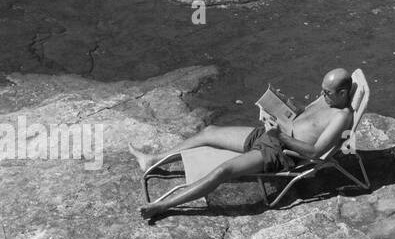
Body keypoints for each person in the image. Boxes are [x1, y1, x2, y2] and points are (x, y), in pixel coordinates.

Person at [131, 68, 357, 221]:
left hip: (280, 153)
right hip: (271, 135)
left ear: (343, 93)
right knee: (210, 132)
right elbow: (303, 117)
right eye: (322, 90)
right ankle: (152, 159)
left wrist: (281, 137)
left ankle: (163, 206)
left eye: (327, 92)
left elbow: (315, 152)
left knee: (223, 170)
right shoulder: (328, 98)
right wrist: (283, 105)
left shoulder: (341, 117)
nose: (321, 94)